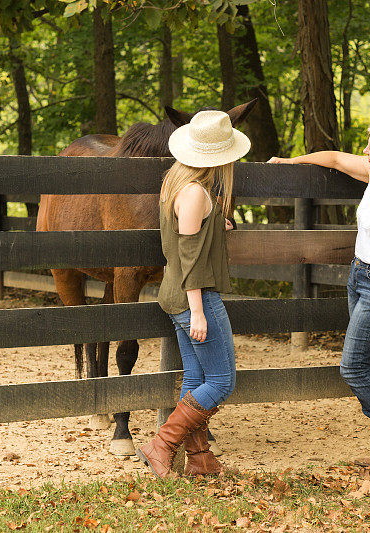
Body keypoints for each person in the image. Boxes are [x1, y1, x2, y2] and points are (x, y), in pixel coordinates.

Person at [269, 118, 370, 479]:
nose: (365, 151)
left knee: (354, 366)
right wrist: (290, 162)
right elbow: (334, 159)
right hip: (359, 276)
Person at [136, 110, 250, 478]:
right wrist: (198, 310)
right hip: (193, 298)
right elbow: (189, 255)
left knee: (196, 381)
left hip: (176, 296)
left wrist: (219, 220)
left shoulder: (178, 184)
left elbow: (192, 231)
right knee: (222, 382)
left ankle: (200, 461)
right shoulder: (196, 193)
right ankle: (161, 444)